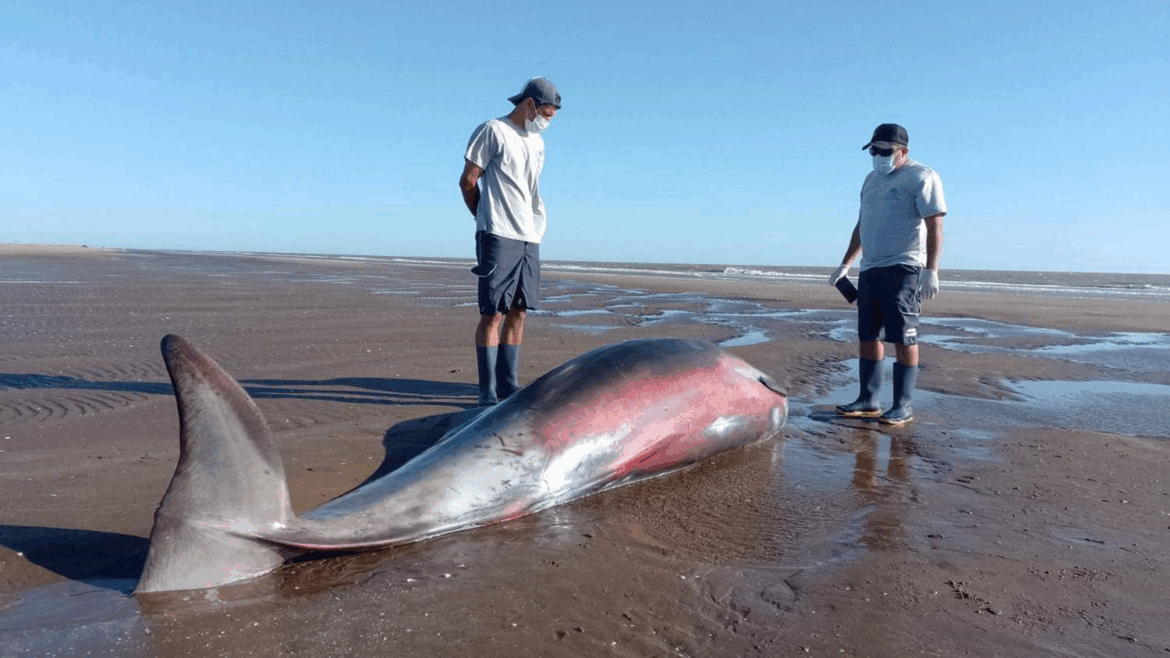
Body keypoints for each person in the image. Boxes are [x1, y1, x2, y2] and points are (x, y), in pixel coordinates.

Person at [829, 123, 946, 425]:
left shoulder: (922, 176)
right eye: (874, 150)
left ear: (903, 151)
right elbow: (862, 225)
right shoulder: (871, 180)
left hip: (904, 267)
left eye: (886, 151)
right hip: (871, 268)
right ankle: (868, 400)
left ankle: (902, 405)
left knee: (903, 337)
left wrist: (931, 270)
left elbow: (935, 225)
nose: (879, 155)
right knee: (867, 335)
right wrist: (846, 264)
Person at [459, 77, 561, 406]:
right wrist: (484, 218)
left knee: (520, 311)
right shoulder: (493, 130)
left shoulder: (538, 143)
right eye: (546, 113)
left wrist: (535, 225)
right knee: (493, 313)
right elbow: (468, 180)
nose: (548, 121)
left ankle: (509, 387)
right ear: (528, 103)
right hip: (498, 233)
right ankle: (486, 392)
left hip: (530, 236)